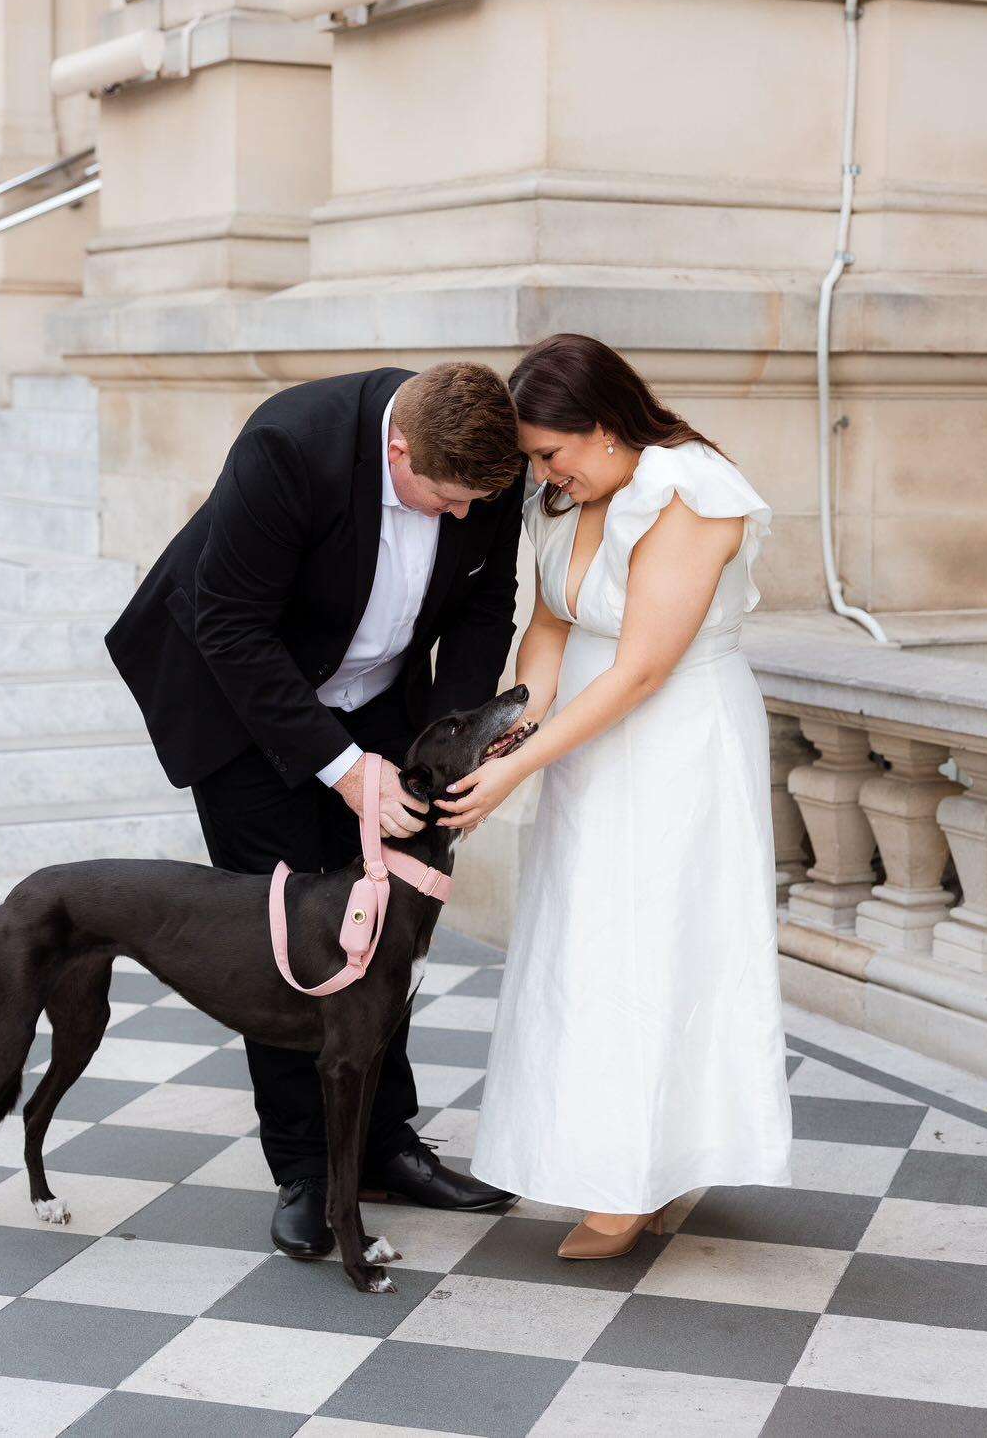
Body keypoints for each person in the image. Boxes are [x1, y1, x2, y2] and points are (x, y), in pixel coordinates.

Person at [104, 362, 525, 1257]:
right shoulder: (289, 446)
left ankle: (386, 1144)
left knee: (386, 930)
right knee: (291, 940)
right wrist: (339, 768)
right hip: (240, 701)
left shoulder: (485, 462)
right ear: (398, 448)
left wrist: (450, 743)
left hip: (378, 700)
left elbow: (487, 608)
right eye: (445, 498)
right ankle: (304, 1167)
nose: (462, 516)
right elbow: (229, 623)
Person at [441, 333, 794, 1260]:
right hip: (587, 737)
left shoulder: (689, 491)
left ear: (602, 428)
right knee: (581, 939)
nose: (542, 473)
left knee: (655, 943)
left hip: (674, 737)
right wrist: (525, 719)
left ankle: (640, 1172)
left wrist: (516, 770)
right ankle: (609, 1154)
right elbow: (552, 620)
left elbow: (641, 669)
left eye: (551, 453)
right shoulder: (568, 492)